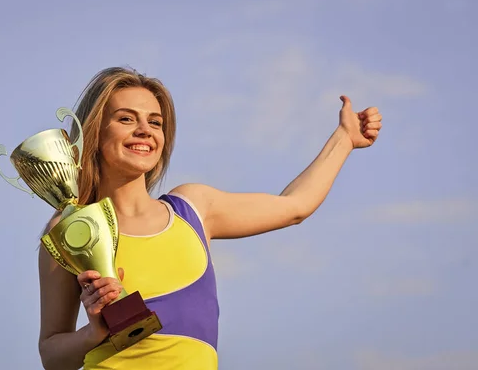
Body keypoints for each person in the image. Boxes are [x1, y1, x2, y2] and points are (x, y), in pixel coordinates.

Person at [37, 67, 383, 370]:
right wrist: (94, 332)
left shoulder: (193, 208)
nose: (145, 130)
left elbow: (295, 206)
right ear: (95, 133)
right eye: (126, 118)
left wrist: (344, 139)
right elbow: (53, 356)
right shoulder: (68, 229)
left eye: (155, 122)